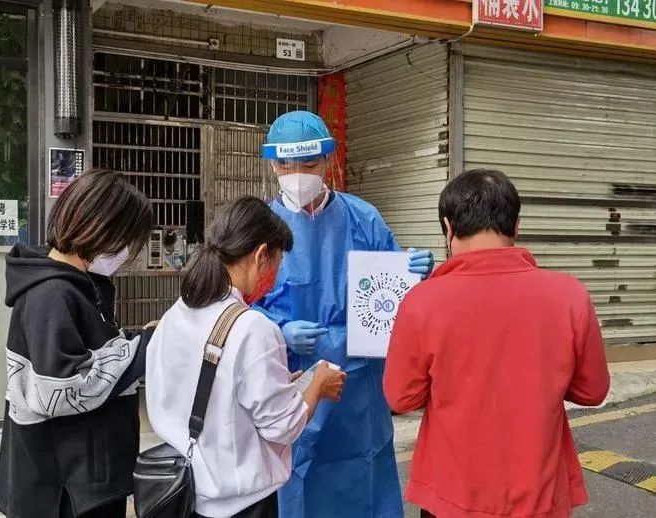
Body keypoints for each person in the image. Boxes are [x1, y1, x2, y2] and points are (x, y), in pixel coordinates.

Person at [384, 169, 611, 518]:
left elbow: (401, 397)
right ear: (516, 226)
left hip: (451, 494)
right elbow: (592, 391)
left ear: (447, 228)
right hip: (540, 494)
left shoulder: (422, 302)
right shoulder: (570, 296)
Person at [255, 110, 435, 517]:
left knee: (364, 474)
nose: (297, 175)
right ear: (272, 165)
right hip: (293, 379)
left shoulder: (362, 218)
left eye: (308, 164)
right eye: (285, 165)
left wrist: (414, 272)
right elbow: (238, 302)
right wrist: (278, 328)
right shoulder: (261, 226)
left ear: (328, 161)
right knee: (296, 472)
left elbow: (394, 294)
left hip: (360, 382)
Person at [145, 196, 347, 518]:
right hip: (240, 504)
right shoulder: (253, 327)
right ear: (262, 255)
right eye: (278, 263)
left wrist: (281, 385)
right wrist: (318, 385)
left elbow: (208, 387)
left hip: (185, 490)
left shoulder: (177, 312)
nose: (276, 277)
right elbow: (283, 426)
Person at [0, 169, 157, 518]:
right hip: (64, 489)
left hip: (83, 477)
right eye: (126, 239)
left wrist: (133, 340)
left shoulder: (79, 284)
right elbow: (62, 387)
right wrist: (144, 348)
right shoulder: (50, 294)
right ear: (101, 229)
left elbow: (91, 354)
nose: (127, 252)